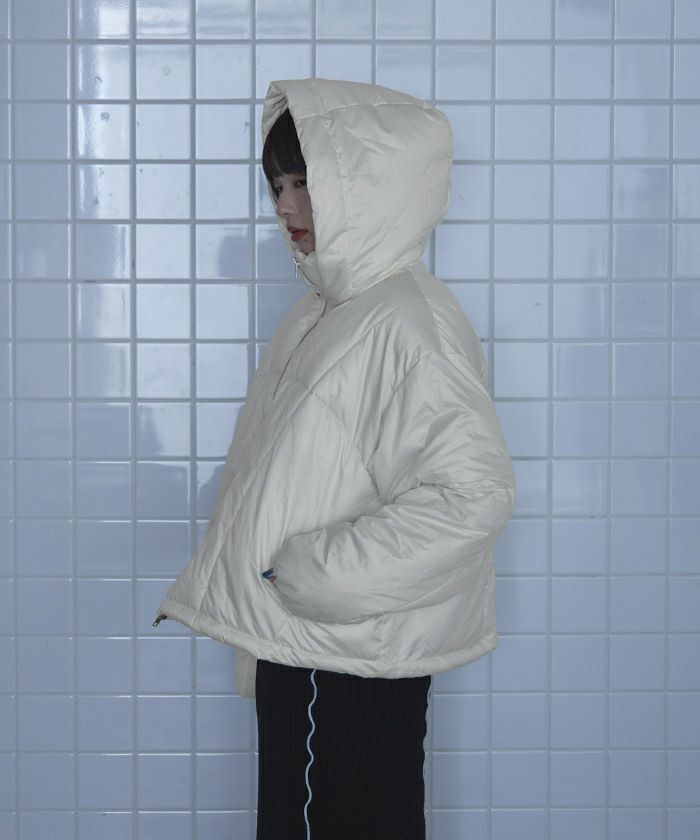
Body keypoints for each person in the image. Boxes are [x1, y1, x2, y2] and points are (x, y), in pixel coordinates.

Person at [154, 77, 516, 839]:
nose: (285, 206)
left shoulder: (406, 324)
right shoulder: (334, 308)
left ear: (369, 186)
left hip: (343, 652)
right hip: (314, 642)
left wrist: (310, 574)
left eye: (305, 182)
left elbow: (471, 495)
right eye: (278, 185)